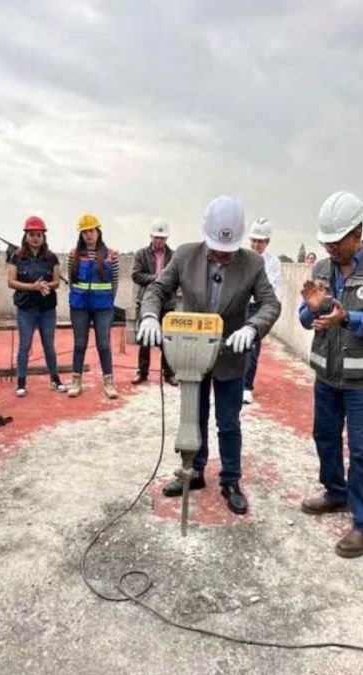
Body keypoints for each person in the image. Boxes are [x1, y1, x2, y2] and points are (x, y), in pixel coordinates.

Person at [138, 196, 281, 515]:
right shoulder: (186, 256)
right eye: (216, 246)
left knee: (228, 422)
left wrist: (252, 328)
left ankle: (230, 480)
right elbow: (157, 290)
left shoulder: (252, 264)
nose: (221, 253)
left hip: (230, 356)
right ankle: (194, 470)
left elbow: (271, 304)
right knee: (193, 416)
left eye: (227, 249)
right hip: (191, 353)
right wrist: (149, 316)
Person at [298, 191, 363, 559]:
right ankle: (335, 492)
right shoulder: (322, 269)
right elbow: (304, 317)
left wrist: (349, 318)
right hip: (327, 375)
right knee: (324, 436)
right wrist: (311, 312)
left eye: (337, 242)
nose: (330, 249)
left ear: (357, 234)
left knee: (362, 450)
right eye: (326, 241)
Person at [6, 215, 64, 396]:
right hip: (26, 308)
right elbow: (11, 282)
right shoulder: (16, 257)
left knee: (49, 344)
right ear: (25, 236)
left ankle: (55, 379)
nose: (35, 238)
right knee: (25, 345)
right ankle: (21, 383)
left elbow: (56, 282)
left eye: (39, 235)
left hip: (47, 308)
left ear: (44, 236)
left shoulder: (51, 258)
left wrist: (46, 286)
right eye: (32, 234)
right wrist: (33, 287)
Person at [65, 214, 120, 399]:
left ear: (98, 231)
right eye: (84, 231)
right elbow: (71, 279)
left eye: (91, 230)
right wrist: (75, 298)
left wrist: (108, 301)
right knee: (79, 344)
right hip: (79, 306)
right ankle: (76, 381)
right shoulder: (74, 254)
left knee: (103, 344)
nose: (88, 234)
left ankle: (109, 382)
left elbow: (114, 282)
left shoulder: (110, 255)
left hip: (103, 306)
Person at [242, 217, 283, 404]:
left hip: (257, 308)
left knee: (251, 348)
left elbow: (269, 288)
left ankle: (246, 386)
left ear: (267, 242)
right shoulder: (239, 256)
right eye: (254, 240)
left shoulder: (273, 263)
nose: (256, 244)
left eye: (260, 241)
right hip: (239, 305)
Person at [131, 218, 176, 386]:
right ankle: (142, 372)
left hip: (167, 303)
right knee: (145, 339)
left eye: (162, 238)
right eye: (156, 237)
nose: (159, 241)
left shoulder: (173, 255)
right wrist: (156, 278)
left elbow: (177, 277)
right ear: (151, 236)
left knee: (168, 340)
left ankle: (169, 373)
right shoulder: (141, 254)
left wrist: (166, 281)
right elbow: (135, 275)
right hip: (146, 301)